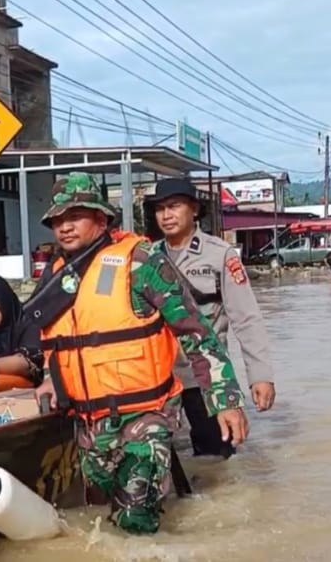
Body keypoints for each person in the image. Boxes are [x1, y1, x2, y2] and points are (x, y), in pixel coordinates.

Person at [27, 172, 249, 535]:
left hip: (144, 417)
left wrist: (224, 399)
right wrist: (50, 378)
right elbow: (54, 340)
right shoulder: (55, 275)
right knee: (98, 520)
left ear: (101, 218)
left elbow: (196, 334)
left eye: (74, 217)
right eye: (57, 220)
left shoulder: (141, 262)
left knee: (135, 520)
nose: (64, 227)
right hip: (89, 424)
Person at [145, 178, 276, 459]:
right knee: (161, 463)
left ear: (194, 209)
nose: (166, 215)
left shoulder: (220, 255)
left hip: (204, 379)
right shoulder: (146, 258)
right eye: (160, 209)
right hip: (159, 381)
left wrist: (260, 375)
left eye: (174, 206)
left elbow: (246, 318)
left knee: (216, 464)